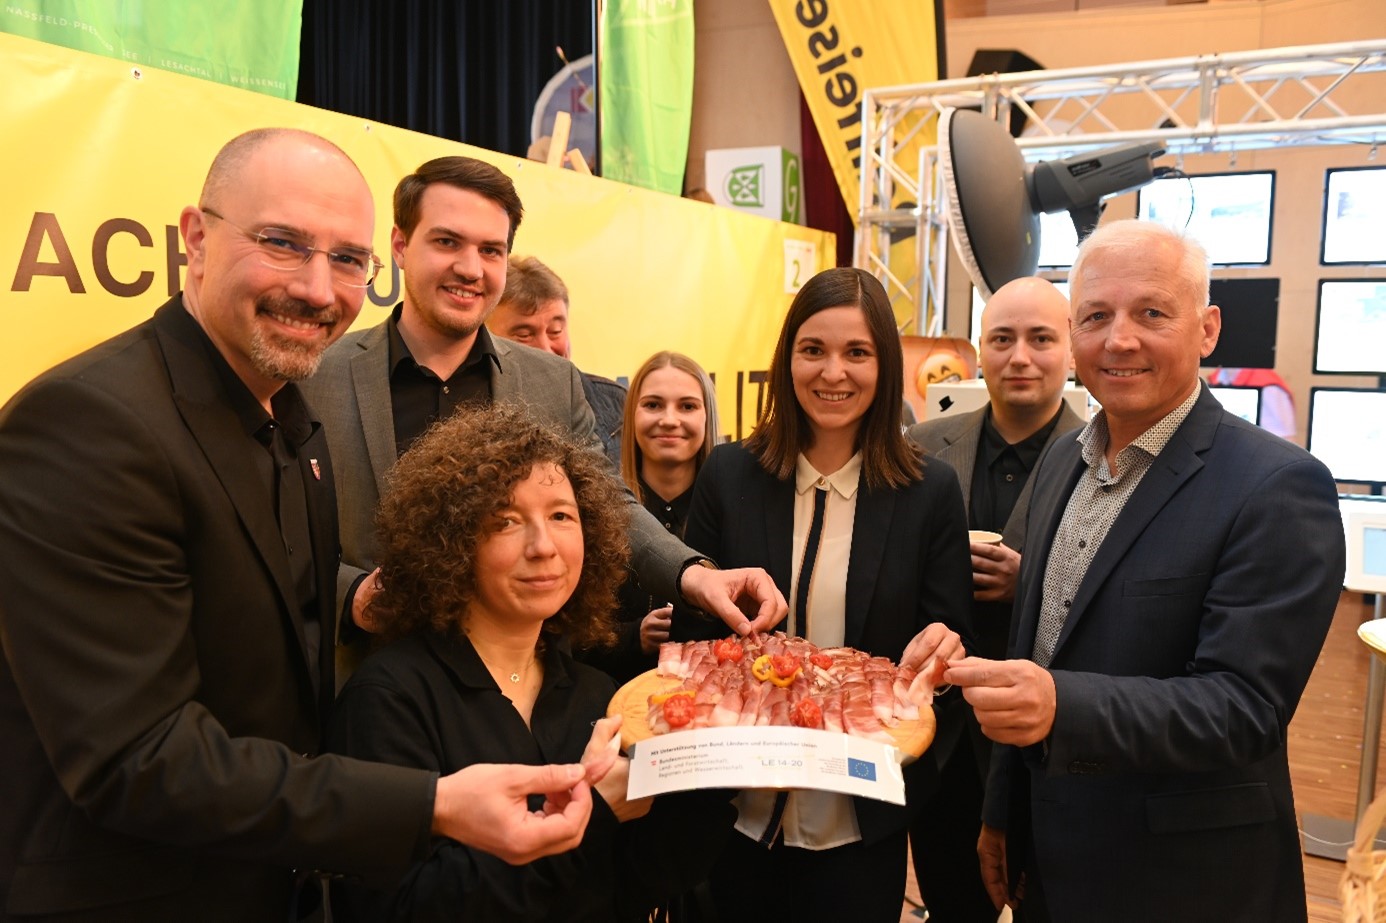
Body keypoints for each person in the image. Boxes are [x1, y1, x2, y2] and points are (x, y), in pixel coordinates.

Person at [0, 129, 593, 921]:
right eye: (282, 243)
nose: (318, 290)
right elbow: (138, 759)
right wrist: (431, 803)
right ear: (196, 239)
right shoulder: (89, 423)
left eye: (346, 259)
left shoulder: (294, 422)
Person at [947, 220, 1346, 922]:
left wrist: (1062, 706)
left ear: (1207, 329)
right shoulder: (1064, 459)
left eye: (1152, 313)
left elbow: (1244, 706)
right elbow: (1034, 650)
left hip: (1183, 880)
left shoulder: (1277, 486)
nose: (1119, 339)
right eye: (1096, 316)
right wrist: (1001, 812)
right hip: (1050, 856)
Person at [299, 156, 784, 675]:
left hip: (527, 686)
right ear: (399, 246)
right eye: (447, 242)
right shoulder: (317, 375)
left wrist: (695, 576)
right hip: (372, 683)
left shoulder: (552, 382)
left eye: (491, 250)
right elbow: (275, 533)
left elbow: (607, 504)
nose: (471, 268)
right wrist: (351, 594)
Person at [327, 405, 733, 921]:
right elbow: (395, 907)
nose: (543, 547)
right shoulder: (389, 698)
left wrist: (721, 764)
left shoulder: (597, 694)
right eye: (505, 521)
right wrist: (591, 813)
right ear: (450, 543)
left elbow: (636, 883)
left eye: (561, 516)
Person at [671, 267, 975, 923]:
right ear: (787, 359)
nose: (833, 372)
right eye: (813, 349)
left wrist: (942, 662)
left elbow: (948, 652)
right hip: (737, 809)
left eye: (856, 352)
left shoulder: (929, 493)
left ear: (884, 365)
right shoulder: (729, 473)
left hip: (859, 819)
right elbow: (693, 637)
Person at [906, 276, 1082, 922]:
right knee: (952, 900)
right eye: (1002, 339)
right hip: (943, 737)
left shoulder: (1103, 457)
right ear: (979, 350)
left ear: (1071, 350)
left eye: (1041, 339)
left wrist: (1027, 580)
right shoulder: (923, 446)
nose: (1020, 357)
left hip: (1049, 739)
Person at [581, 351, 721, 683]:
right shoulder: (595, 510)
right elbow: (571, 637)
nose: (669, 420)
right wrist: (633, 638)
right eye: (653, 405)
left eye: (687, 406)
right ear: (631, 416)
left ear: (708, 417)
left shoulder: (729, 513)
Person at [486, 253, 628, 467]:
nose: (545, 349)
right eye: (524, 335)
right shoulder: (471, 404)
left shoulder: (616, 403)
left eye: (555, 331)